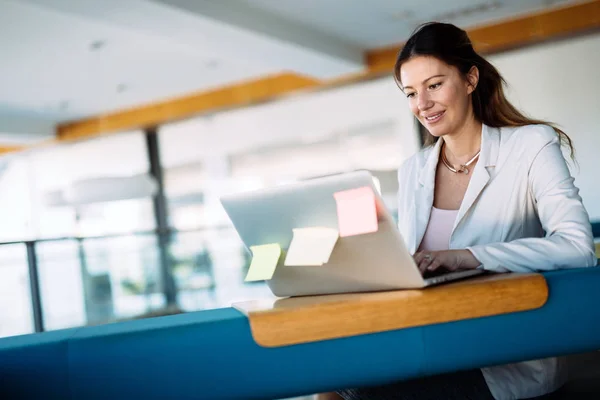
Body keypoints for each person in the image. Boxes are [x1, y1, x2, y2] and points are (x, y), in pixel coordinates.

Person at [320, 21, 597, 400]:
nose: (422, 104)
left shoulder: (530, 145)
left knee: (362, 390)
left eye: (434, 85)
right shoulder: (414, 170)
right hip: (436, 340)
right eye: (411, 92)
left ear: (470, 79)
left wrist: (465, 257)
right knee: (329, 377)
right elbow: (417, 263)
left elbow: (578, 248)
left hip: (504, 357)